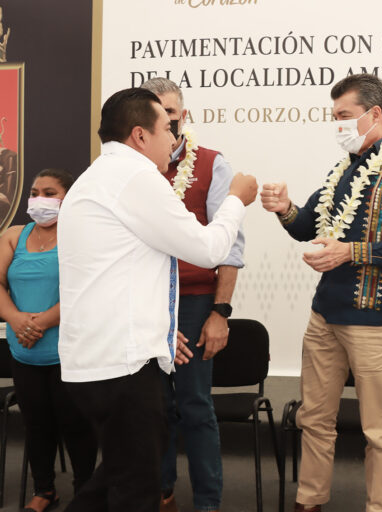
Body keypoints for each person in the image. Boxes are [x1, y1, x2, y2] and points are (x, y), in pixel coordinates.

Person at [57, 88, 258, 512]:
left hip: (101, 359)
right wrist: (237, 200)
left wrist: (161, 333)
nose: (174, 138)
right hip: (122, 369)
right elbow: (206, 248)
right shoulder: (135, 178)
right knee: (135, 491)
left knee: (112, 480)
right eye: (167, 128)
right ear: (139, 136)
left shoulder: (98, 175)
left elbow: (125, 274)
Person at [261, 73, 382, 512]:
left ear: (373, 114)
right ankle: (309, 501)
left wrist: (350, 253)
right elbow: (310, 226)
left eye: (344, 116)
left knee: (378, 429)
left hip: (375, 321)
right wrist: (285, 208)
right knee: (314, 419)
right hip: (325, 316)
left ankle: (378, 508)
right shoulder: (345, 167)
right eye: (334, 116)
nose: (337, 125)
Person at [140, 77, 245, 512]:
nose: (170, 122)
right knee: (153, 406)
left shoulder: (211, 163)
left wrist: (220, 312)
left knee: (195, 406)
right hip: (143, 302)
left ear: (184, 114)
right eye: (160, 115)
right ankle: (161, 493)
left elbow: (230, 245)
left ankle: (207, 503)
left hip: (195, 301)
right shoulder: (136, 167)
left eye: (175, 113)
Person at [0, 169, 97, 512]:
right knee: (35, 425)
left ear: (67, 198)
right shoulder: (14, 235)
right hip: (23, 350)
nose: (39, 199)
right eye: (34, 191)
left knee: (76, 426)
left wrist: (38, 322)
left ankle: (85, 492)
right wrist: (14, 319)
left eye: (49, 192)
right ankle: (44, 491)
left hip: (67, 353)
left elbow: (84, 291)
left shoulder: (79, 236)